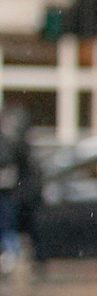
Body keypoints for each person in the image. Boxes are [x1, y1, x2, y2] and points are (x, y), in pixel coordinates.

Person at [0, 105, 36, 273]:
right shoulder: (13, 142)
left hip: (9, 192)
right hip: (11, 192)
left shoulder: (12, 142)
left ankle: (11, 256)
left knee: (8, 224)